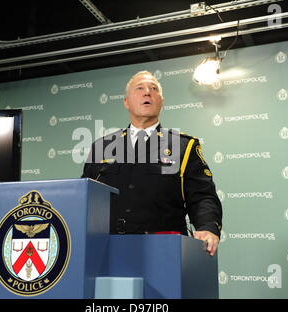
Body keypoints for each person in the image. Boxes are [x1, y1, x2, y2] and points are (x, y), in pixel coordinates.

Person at [82, 71, 222, 256]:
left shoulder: (184, 146)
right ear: (126, 102)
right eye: (139, 88)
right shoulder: (102, 147)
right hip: (107, 250)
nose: (147, 92)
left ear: (161, 101)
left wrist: (208, 226)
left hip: (165, 252)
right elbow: (86, 197)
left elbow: (203, 196)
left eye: (153, 89)